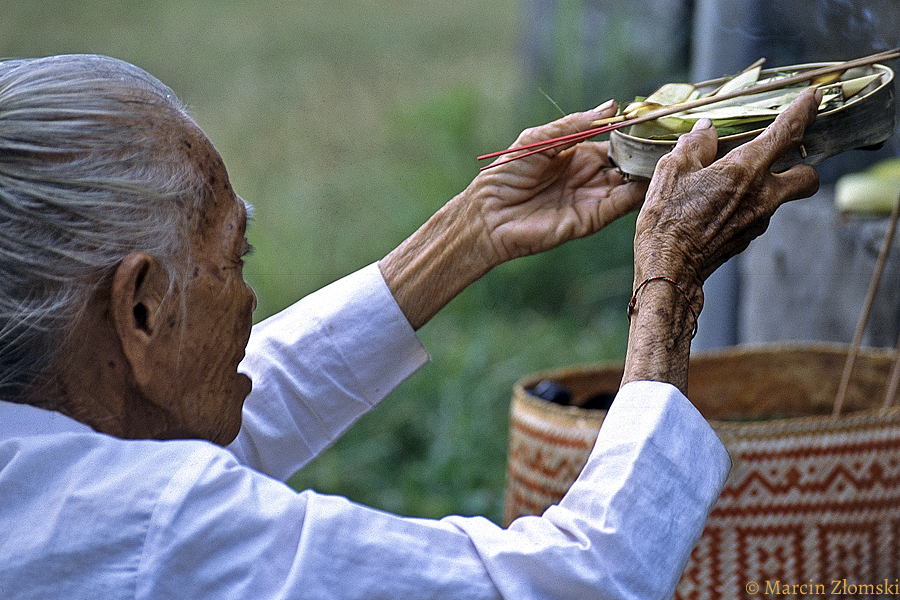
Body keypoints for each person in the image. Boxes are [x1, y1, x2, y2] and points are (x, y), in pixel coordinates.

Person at [0, 54, 819, 599]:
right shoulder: (153, 531)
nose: (251, 301)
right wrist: (668, 282)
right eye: (236, 256)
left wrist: (470, 233)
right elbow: (582, 582)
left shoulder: (43, 457)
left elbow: (209, 416)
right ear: (140, 309)